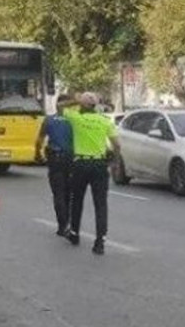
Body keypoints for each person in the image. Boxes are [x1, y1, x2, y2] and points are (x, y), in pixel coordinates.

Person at [64, 92, 121, 255]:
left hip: (81, 164)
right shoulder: (104, 121)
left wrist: (77, 99)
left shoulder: (76, 118)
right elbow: (117, 145)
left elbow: (61, 106)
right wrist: (114, 163)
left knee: (77, 200)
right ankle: (100, 242)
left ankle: (74, 234)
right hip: (99, 165)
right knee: (101, 204)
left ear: (82, 106)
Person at [35, 94, 77, 240]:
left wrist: (37, 155)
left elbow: (39, 140)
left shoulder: (49, 120)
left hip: (55, 159)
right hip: (72, 159)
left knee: (58, 193)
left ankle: (62, 225)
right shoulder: (74, 121)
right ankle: (70, 223)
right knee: (69, 193)